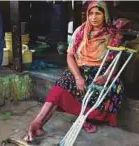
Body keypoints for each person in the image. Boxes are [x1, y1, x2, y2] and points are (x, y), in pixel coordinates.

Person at [25, 1, 126, 142]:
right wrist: (78, 77)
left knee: (112, 87)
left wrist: (106, 76)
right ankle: (37, 124)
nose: (94, 17)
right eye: (91, 13)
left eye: (98, 13)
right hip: (80, 68)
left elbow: (116, 61)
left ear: (105, 15)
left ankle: (84, 118)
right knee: (60, 86)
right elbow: (70, 55)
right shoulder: (80, 31)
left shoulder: (113, 35)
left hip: (101, 70)